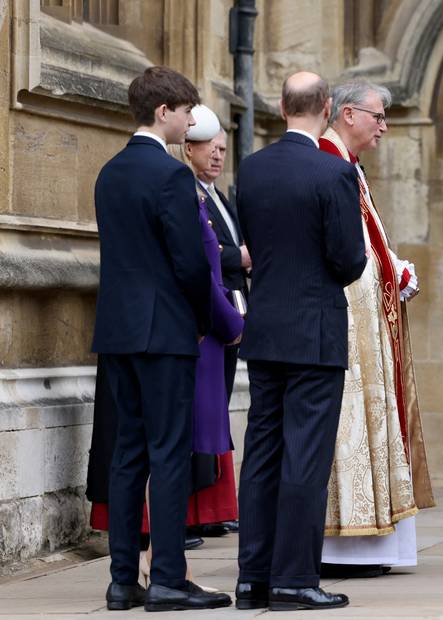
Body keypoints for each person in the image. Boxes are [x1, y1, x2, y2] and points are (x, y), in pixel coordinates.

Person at [93, 66, 230, 611]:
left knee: (127, 456)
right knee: (169, 455)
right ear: (162, 112)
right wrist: (203, 318)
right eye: (186, 109)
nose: (192, 119)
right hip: (165, 331)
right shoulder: (170, 176)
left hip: (118, 331)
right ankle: (169, 578)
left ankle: (123, 579)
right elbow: (190, 264)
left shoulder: (110, 172)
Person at [235, 72, 367, 611]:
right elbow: (349, 260)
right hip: (313, 332)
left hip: (265, 329)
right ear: (329, 107)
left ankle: (253, 579)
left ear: (283, 107)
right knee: (305, 461)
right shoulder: (334, 171)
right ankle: (293, 579)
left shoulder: (253, 167)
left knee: (262, 455)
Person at [318, 80, 434, 577]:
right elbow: (341, 254)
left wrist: (394, 270)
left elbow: (366, 248)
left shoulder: (349, 166)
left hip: (366, 321)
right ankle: (344, 547)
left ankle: (369, 543)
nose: (384, 126)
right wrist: (388, 271)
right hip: (343, 327)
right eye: (378, 116)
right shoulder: (329, 163)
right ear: (347, 114)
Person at [184, 104, 248, 538]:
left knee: (218, 409)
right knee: (199, 413)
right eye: (211, 148)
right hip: (209, 314)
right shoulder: (190, 193)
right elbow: (200, 255)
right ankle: (192, 506)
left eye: (224, 149)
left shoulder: (220, 195)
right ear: (189, 149)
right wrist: (239, 256)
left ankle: (212, 505)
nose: (219, 155)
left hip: (233, 310)